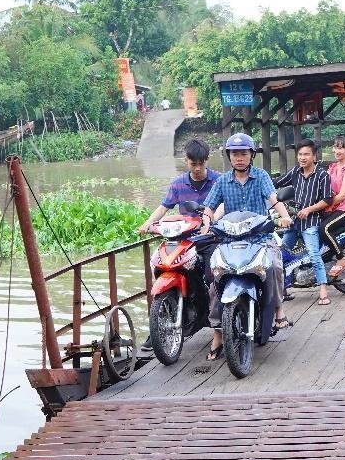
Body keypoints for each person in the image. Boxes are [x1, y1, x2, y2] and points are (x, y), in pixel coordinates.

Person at [200, 132, 294, 360]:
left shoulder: (261, 176)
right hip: (230, 240)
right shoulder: (222, 181)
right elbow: (209, 208)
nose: (239, 158)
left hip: (260, 237)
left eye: (243, 153)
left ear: (251, 155)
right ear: (229, 157)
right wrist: (206, 224)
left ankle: (278, 308)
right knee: (216, 279)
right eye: (235, 154)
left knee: (274, 265)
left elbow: (274, 200)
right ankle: (218, 334)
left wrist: (284, 217)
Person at [275, 141, 334, 305]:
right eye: (300, 154)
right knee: (281, 253)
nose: (302, 157)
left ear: (314, 156)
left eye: (306, 154)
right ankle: (283, 288)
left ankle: (323, 289)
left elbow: (328, 199)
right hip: (295, 221)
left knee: (314, 255)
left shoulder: (322, 175)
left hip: (312, 221)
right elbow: (277, 182)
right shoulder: (295, 172)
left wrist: (309, 209)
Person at [138, 139, 220, 232]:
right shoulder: (178, 184)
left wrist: (212, 221)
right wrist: (148, 223)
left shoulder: (219, 180)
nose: (197, 168)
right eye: (193, 164)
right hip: (187, 231)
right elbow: (163, 208)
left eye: (201, 164)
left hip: (214, 230)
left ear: (207, 160)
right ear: (186, 161)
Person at [321, 134, 345, 279]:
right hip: (333, 206)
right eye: (335, 147)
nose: (337, 151)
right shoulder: (332, 167)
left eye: (341, 148)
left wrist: (328, 206)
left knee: (324, 228)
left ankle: (341, 258)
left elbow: (343, 195)